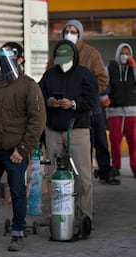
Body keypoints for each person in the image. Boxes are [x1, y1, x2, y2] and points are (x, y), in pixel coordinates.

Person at [0, 42, 46, 251]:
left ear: (20, 60)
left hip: (15, 152)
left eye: (11, 56)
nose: (5, 59)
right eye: (2, 55)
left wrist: (23, 149)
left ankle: (17, 233)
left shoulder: (28, 85)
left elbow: (37, 121)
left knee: (17, 193)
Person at [50, 19, 119, 185]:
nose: (70, 34)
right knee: (74, 149)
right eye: (68, 30)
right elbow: (50, 77)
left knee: (99, 141)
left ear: (80, 34)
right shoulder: (58, 52)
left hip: (90, 108)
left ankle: (103, 172)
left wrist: (87, 95)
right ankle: (70, 179)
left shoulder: (91, 53)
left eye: (74, 31)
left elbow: (102, 79)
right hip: (63, 110)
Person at [39, 40, 98, 222]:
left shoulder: (85, 75)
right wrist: (47, 102)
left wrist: (73, 104)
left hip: (78, 129)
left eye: (66, 59)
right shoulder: (49, 76)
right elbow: (37, 98)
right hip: (53, 130)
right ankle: (56, 214)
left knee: (83, 176)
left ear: (74, 56)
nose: (63, 63)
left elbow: (91, 100)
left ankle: (85, 216)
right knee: (53, 176)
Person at [105, 43, 136, 178]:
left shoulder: (133, 69)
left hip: (132, 111)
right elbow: (103, 85)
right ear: (118, 54)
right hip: (114, 111)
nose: (125, 56)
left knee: (134, 141)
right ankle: (115, 166)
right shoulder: (109, 68)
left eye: (127, 53)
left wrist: (134, 68)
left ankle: (135, 167)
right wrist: (104, 98)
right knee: (115, 141)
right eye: (123, 53)